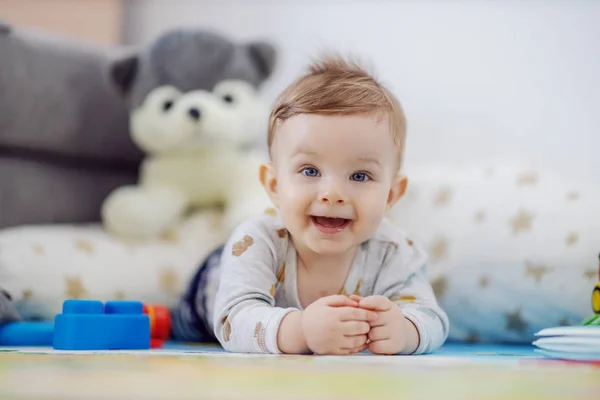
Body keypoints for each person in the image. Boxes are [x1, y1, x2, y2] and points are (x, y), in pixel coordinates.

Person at [171, 55, 449, 355]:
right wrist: (301, 330)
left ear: (392, 195)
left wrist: (406, 331)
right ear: (275, 186)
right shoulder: (257, 240)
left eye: (359, 175)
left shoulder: (394, 252)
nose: (332, 194)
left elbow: (432, 317)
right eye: (310, 171)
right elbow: (231, 320)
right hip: (210, 294)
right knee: (182, 326)